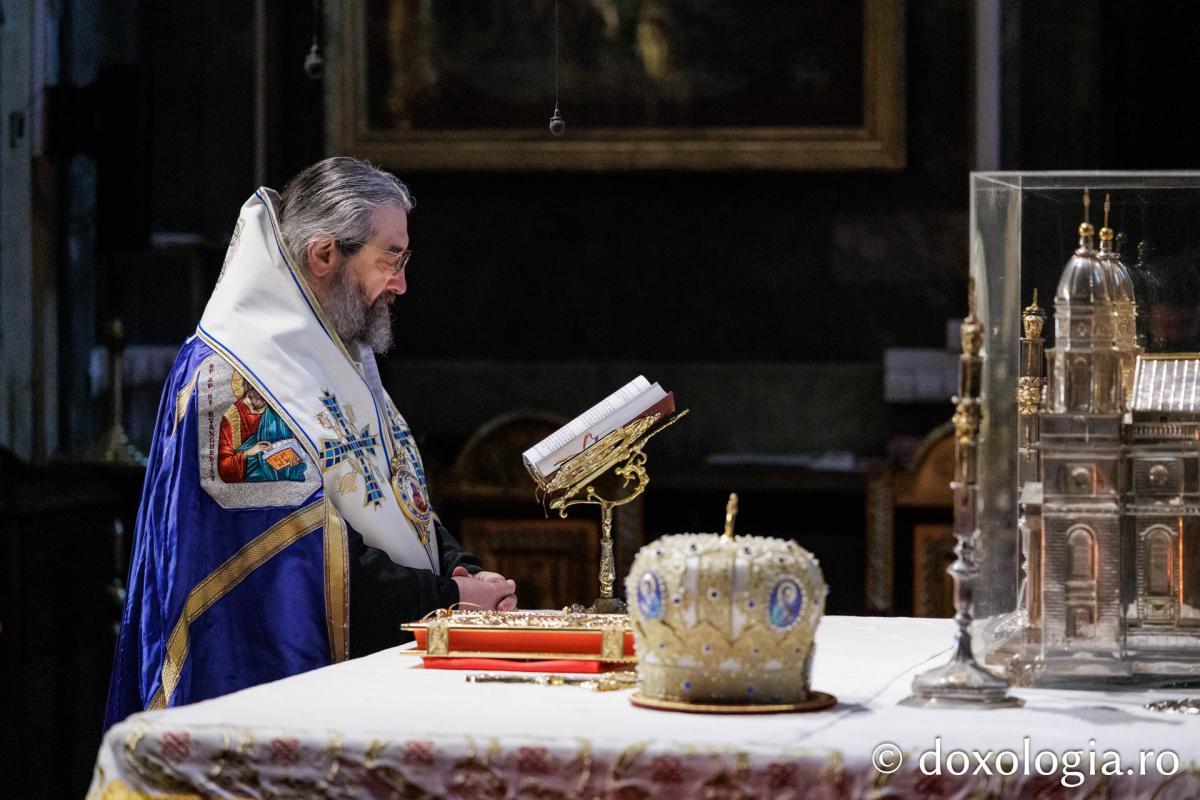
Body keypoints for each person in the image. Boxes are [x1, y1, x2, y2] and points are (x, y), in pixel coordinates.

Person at [105, 158, 517, 728]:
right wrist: (441, 600)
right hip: (262, 706)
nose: (400, 283)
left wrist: (458, 570)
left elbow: (391, 495)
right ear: (324, 255)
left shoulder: (337, 353)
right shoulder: (234, 382)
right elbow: (293, 565)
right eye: (390, 259)